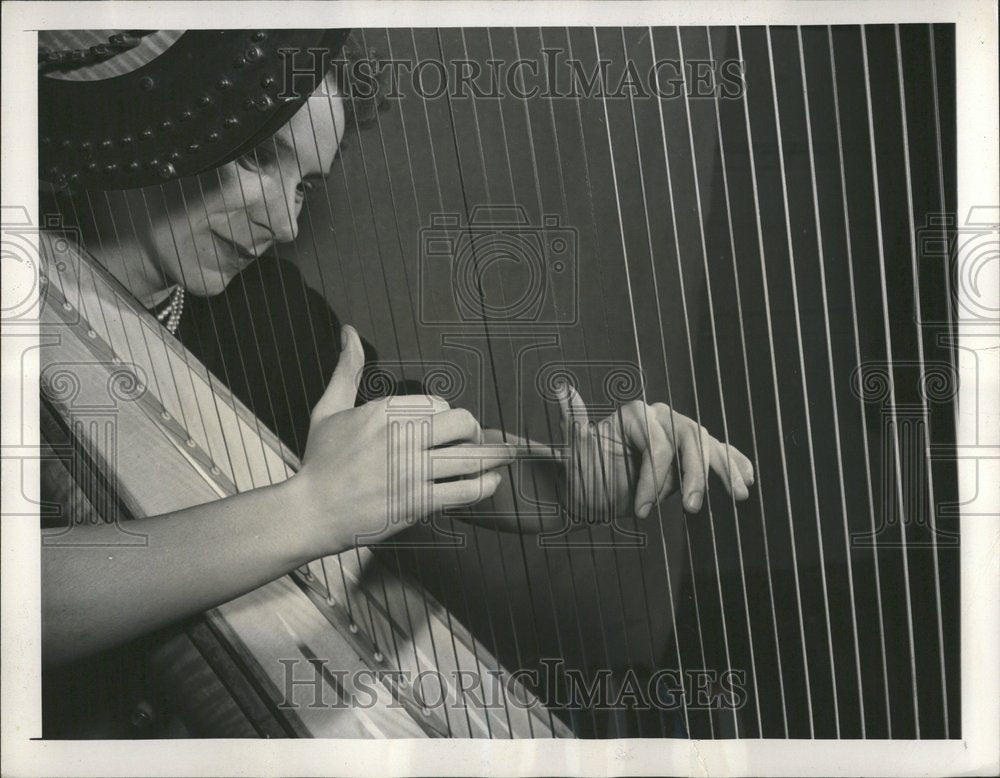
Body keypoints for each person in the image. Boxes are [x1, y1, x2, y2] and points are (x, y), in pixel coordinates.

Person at [40, 37, 754, 710]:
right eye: (262, 157)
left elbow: (438, 462)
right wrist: (311, 511)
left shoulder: (272, 310)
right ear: (174, 124)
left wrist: (574, 481)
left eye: (305, 187)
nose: (284, 224)